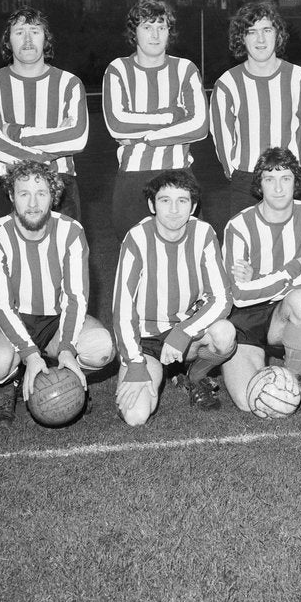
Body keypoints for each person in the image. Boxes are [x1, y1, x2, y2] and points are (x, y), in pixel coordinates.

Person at [0, 160, 114, 427]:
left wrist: (66, 351)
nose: (32, 203)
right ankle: (7, 385)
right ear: (11, 196)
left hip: (54, 320)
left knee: (101, 348)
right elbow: (2, 305)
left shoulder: (71, 231)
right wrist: (29, 352)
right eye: (24, 193)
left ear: (54, 196)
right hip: (9, 320)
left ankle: (68, 381)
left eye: (41, 193)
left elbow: (76, 297)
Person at [113, 169, 235, 426]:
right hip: (146, 341)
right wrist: (135, 365)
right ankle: (152, 370)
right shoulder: (137, 238)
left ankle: (194, 375)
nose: (174, 209)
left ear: (193, 207)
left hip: (186, 335)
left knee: (224, 334)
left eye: (182, 200)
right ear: (151, 205)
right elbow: (122, 308)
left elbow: (222, 298)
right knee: (136, 416)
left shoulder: (203, 233)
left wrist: (182, 332)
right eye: (164, 200)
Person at [221, 148, 301, 414]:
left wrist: (256, 278)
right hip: (246, 319)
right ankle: (262, 359)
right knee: (250, 403)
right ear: (259, 184)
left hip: (285, 314)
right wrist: (290, 269)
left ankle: (294, 379)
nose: (278, 188)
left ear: (296, 182)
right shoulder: (238, 226)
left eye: (286, 179)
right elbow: (239, 295)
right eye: (270, 179)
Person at [102, 0, 209, 240]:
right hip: (132, 177)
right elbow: (117, 123)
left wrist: (147, 138)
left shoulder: (185, 69)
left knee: (188, 257)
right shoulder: (118, 69)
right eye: (147, 27)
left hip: (179, 173)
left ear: (170, 32)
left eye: (162, 27)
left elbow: (200, 126)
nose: (155, 34)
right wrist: (173, 115)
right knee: (136, 258)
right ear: (134, 32)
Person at [0, 6, 88, 221]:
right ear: (8, 41)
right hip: (8, 186)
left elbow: (77, 138)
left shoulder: (69, 83)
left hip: (60, 185)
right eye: (19, 32)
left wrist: (15, 133)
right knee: (8, 255)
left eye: (35, 31)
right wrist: (47, 150)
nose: (27, 39)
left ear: (46, 39)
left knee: (62, 254)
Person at [209, 2, 301, 219]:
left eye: (266, 30)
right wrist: (239, 174)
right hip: (247, 183)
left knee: (297, 249)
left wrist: (299, 175)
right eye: (252, 32)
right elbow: (222, 139)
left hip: (292, 181)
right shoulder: (227, 83)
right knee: (247, 251)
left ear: (277, 34)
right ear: (242, 38)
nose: (260, 39)